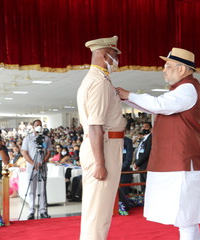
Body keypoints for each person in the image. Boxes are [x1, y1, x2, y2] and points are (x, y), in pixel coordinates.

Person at [117, 47, 200, 240]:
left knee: (185, 218)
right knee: (186, 219)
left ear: (182, 69)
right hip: (176, 161)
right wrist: (127, 98)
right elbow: (157, 107)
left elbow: (159, 105)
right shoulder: (183, 88)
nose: (164, 70)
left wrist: (130, 95)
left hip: (183, 162)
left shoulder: (188, 88)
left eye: (167, 66)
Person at [77, 35, 125, 240]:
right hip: (103, 146)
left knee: (96, 211)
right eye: (114, 56)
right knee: (98, 214)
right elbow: (95, 126)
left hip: (104, 144)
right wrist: (100, 163)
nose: (117, 60)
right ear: (105, 55)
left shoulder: (97, 79)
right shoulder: (99, 83)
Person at [21, 120, 53, 220]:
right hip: (31, 168)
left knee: (42, 189)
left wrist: (43, 161)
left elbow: (49, 152)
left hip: (42, 167)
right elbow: (24, 152)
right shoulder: (28, 138)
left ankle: (43, 210)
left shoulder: (46, 139)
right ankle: (31, 211)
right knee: (32, 190)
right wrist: (33, 163)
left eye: (40, 125)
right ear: (33, 127)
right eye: (37, 125)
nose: (39, 127)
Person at [133, 122, 152, 193]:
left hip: (146, 166)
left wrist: (137, 163)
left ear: (151, 129)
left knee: (147, 187)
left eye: (146, 127)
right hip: (140, 166)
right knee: (143, 188)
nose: (144, 128)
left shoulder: (151, 138)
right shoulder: (143, 139)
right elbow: (138, 152)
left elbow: (146, 153)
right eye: (143, 127)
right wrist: (136, 162)